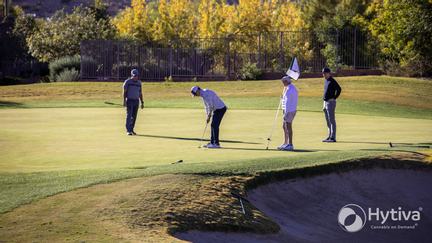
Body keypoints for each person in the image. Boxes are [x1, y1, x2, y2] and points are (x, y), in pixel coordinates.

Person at [278, 76, 298, 151]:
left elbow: (288, 102)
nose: (283, 83)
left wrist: (285, 113)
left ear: (287, 81)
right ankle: (285, 143)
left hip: (289, 110)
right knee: (284, 126)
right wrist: (282, 97)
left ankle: (290, 144)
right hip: (288, 110)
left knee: (288, 126)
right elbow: (285, 99)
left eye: (284, 81)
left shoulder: (290, 89)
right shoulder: (288, 88)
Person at [322, 67, 342, 142]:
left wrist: (335, 97)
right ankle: (329, 136)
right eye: (323, 73)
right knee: (328, 120)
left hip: (330, 102)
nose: (323, 74)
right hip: (325, 102)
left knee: (331, 120)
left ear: (328, 73)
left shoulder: (332, 81)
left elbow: (339, 89)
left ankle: (333, 137)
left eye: (325, 73)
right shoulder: (326, 81)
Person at [123, 69, 144, 136]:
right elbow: (124, 92)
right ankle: (128, 130)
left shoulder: (139, 83)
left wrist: (142, 102)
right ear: (131, 75)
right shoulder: (127, 82)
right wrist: (124, 101)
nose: (135, 77)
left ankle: (131, 129)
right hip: (129, 100)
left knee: (134, 117)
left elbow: (140, 93)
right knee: (129, 116)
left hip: (136, 101)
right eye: (134, 76)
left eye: (137, 76)